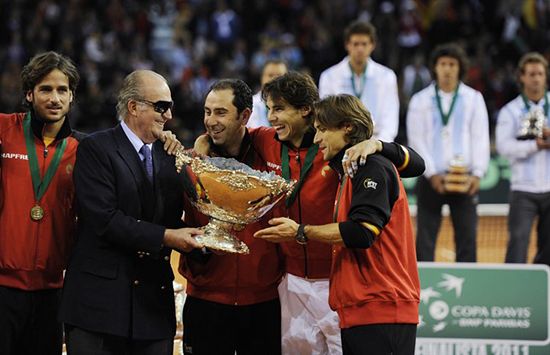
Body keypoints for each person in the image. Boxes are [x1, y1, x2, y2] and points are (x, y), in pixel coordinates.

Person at [250, 71, 424, 354]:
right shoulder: (270, 142)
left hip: (371, 298)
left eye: (279, 109)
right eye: (269, 109)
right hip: (328, 292)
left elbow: (363, 230)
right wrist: (203, 143)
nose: (271, 117)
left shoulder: (363, 162)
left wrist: (378, 144)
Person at [58, 70, 204, 355]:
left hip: (152, 309)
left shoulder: (169, 155)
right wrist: (168, 237)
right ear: (133, 106)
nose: (169, 115)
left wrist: (205, 241)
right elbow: (105, 219)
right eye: (161, 106)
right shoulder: (95, 148)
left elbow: (177, 217)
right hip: (98, 309)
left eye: (170, 107)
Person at [178, 79, 284, 355]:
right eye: (207, 111)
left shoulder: (270, 150)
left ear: (245, 116)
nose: (211, 121)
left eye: (221, 112)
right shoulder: (191, 164)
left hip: (262, 304)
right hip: (206, 300)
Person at [0, 51, 81, 355]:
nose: (54, 98)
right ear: (29, 94)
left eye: (62, 90)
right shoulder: (4, 131)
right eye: (45, 89)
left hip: (52, 292)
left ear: (72, 96)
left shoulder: (83, 150)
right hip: (3, 287)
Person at [407, 43, 490, 262]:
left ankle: (469, 289)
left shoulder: (474, 98)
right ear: (434, 67)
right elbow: (417, 138)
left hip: (464, 177)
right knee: (425, 238)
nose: (447, 69)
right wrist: (432, 173)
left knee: (467, 238)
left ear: (460, 67)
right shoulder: (420, 100)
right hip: (431, 179)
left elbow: (480, 137)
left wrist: (478, 173)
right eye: (442, 64)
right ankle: (421, 289)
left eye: (452, 64)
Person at [496, 52, 550, 266]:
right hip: (522, 190)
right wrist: (534, 145)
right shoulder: (510, 111)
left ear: (545, 77)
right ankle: (513, 294)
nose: (536, 78)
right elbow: (503, 147)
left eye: (540, 73)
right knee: (517, 243)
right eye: (531, 74)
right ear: (522, 77)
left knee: (549, 248)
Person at [318, 20, 399, 142]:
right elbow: (326, 117)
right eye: (355, 44)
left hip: (377, 141)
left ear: (372, 45)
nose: (360, 49)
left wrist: (380, 145)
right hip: (342, 142)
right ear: (347, 45)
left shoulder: (386, 76)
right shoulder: (329, 76)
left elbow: (390, 117)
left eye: (364, 44)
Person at [247, 59, 288, 128]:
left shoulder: (293, 106)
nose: (274, 79)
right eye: (270, 75)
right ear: (262, 77)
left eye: (279, 76)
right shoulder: (250, 104)